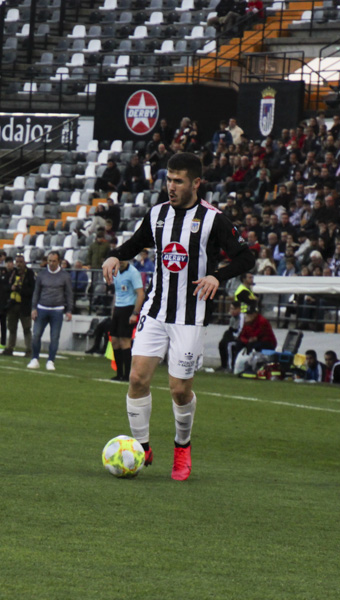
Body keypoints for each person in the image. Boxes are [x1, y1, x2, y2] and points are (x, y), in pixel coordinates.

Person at [101, 152, 254, 481]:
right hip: (155, 310)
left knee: (179, 390)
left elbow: (246, 257)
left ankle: (182, 447)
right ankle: (141, 446)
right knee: (137, 379)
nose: (171, 186)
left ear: (196, 183)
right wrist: (114, 255)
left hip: (190, 315)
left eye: (178, 181)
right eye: (168, 180)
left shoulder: (214, 219)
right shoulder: (157, 215)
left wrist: (218, 276)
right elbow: (134, 243)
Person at [28, 251, 73, 371]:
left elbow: (69, 294)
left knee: (54, 337)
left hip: (57, 310)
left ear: (59, 261)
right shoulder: (42, 275)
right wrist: (33, 308)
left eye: (54, 261)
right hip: (42, 308)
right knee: (36, 335)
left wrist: (69, 310)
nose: (51, 263)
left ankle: (51, 360)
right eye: (50, 261)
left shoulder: (65, 276)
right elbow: (36, 292)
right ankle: (35, 358)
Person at [110, 257, 145, 382]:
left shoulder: (133, 273)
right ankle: (119, 373)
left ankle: (127, 374)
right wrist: (113, 309)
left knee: (125, 341)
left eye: (122, 260)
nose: (120, 263)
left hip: (128, 308)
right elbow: (117, 292)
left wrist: (135, 313)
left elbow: (140, 293)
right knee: (114, 340)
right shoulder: (115, 272)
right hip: (118, 308)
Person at [231, 300, 277, 372]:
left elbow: (257, 336)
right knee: (239, 344)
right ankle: (235, 366)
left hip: (266, 342)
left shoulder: (262, 321)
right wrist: (246, 340)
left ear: (255, 314)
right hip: (253, 340)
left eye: (250, 314)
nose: (248, 316)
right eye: (248, 314)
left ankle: (250, 366)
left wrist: (249, 340)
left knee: (252, 346)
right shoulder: (247, 322)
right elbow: (243, 335)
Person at [3, 254, 35, 357]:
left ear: (24, 262)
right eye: (17, 262)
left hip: (24, 305)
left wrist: (20, 289)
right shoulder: (12, 273)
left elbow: (32, 290)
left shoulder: (29, 274)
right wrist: (10, 288)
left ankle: (29, 349)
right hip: (12, 305)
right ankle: (10, 347)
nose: (19, 264)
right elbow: (4, 286)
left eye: (21, 262)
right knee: (12, 328)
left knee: (26, 328)